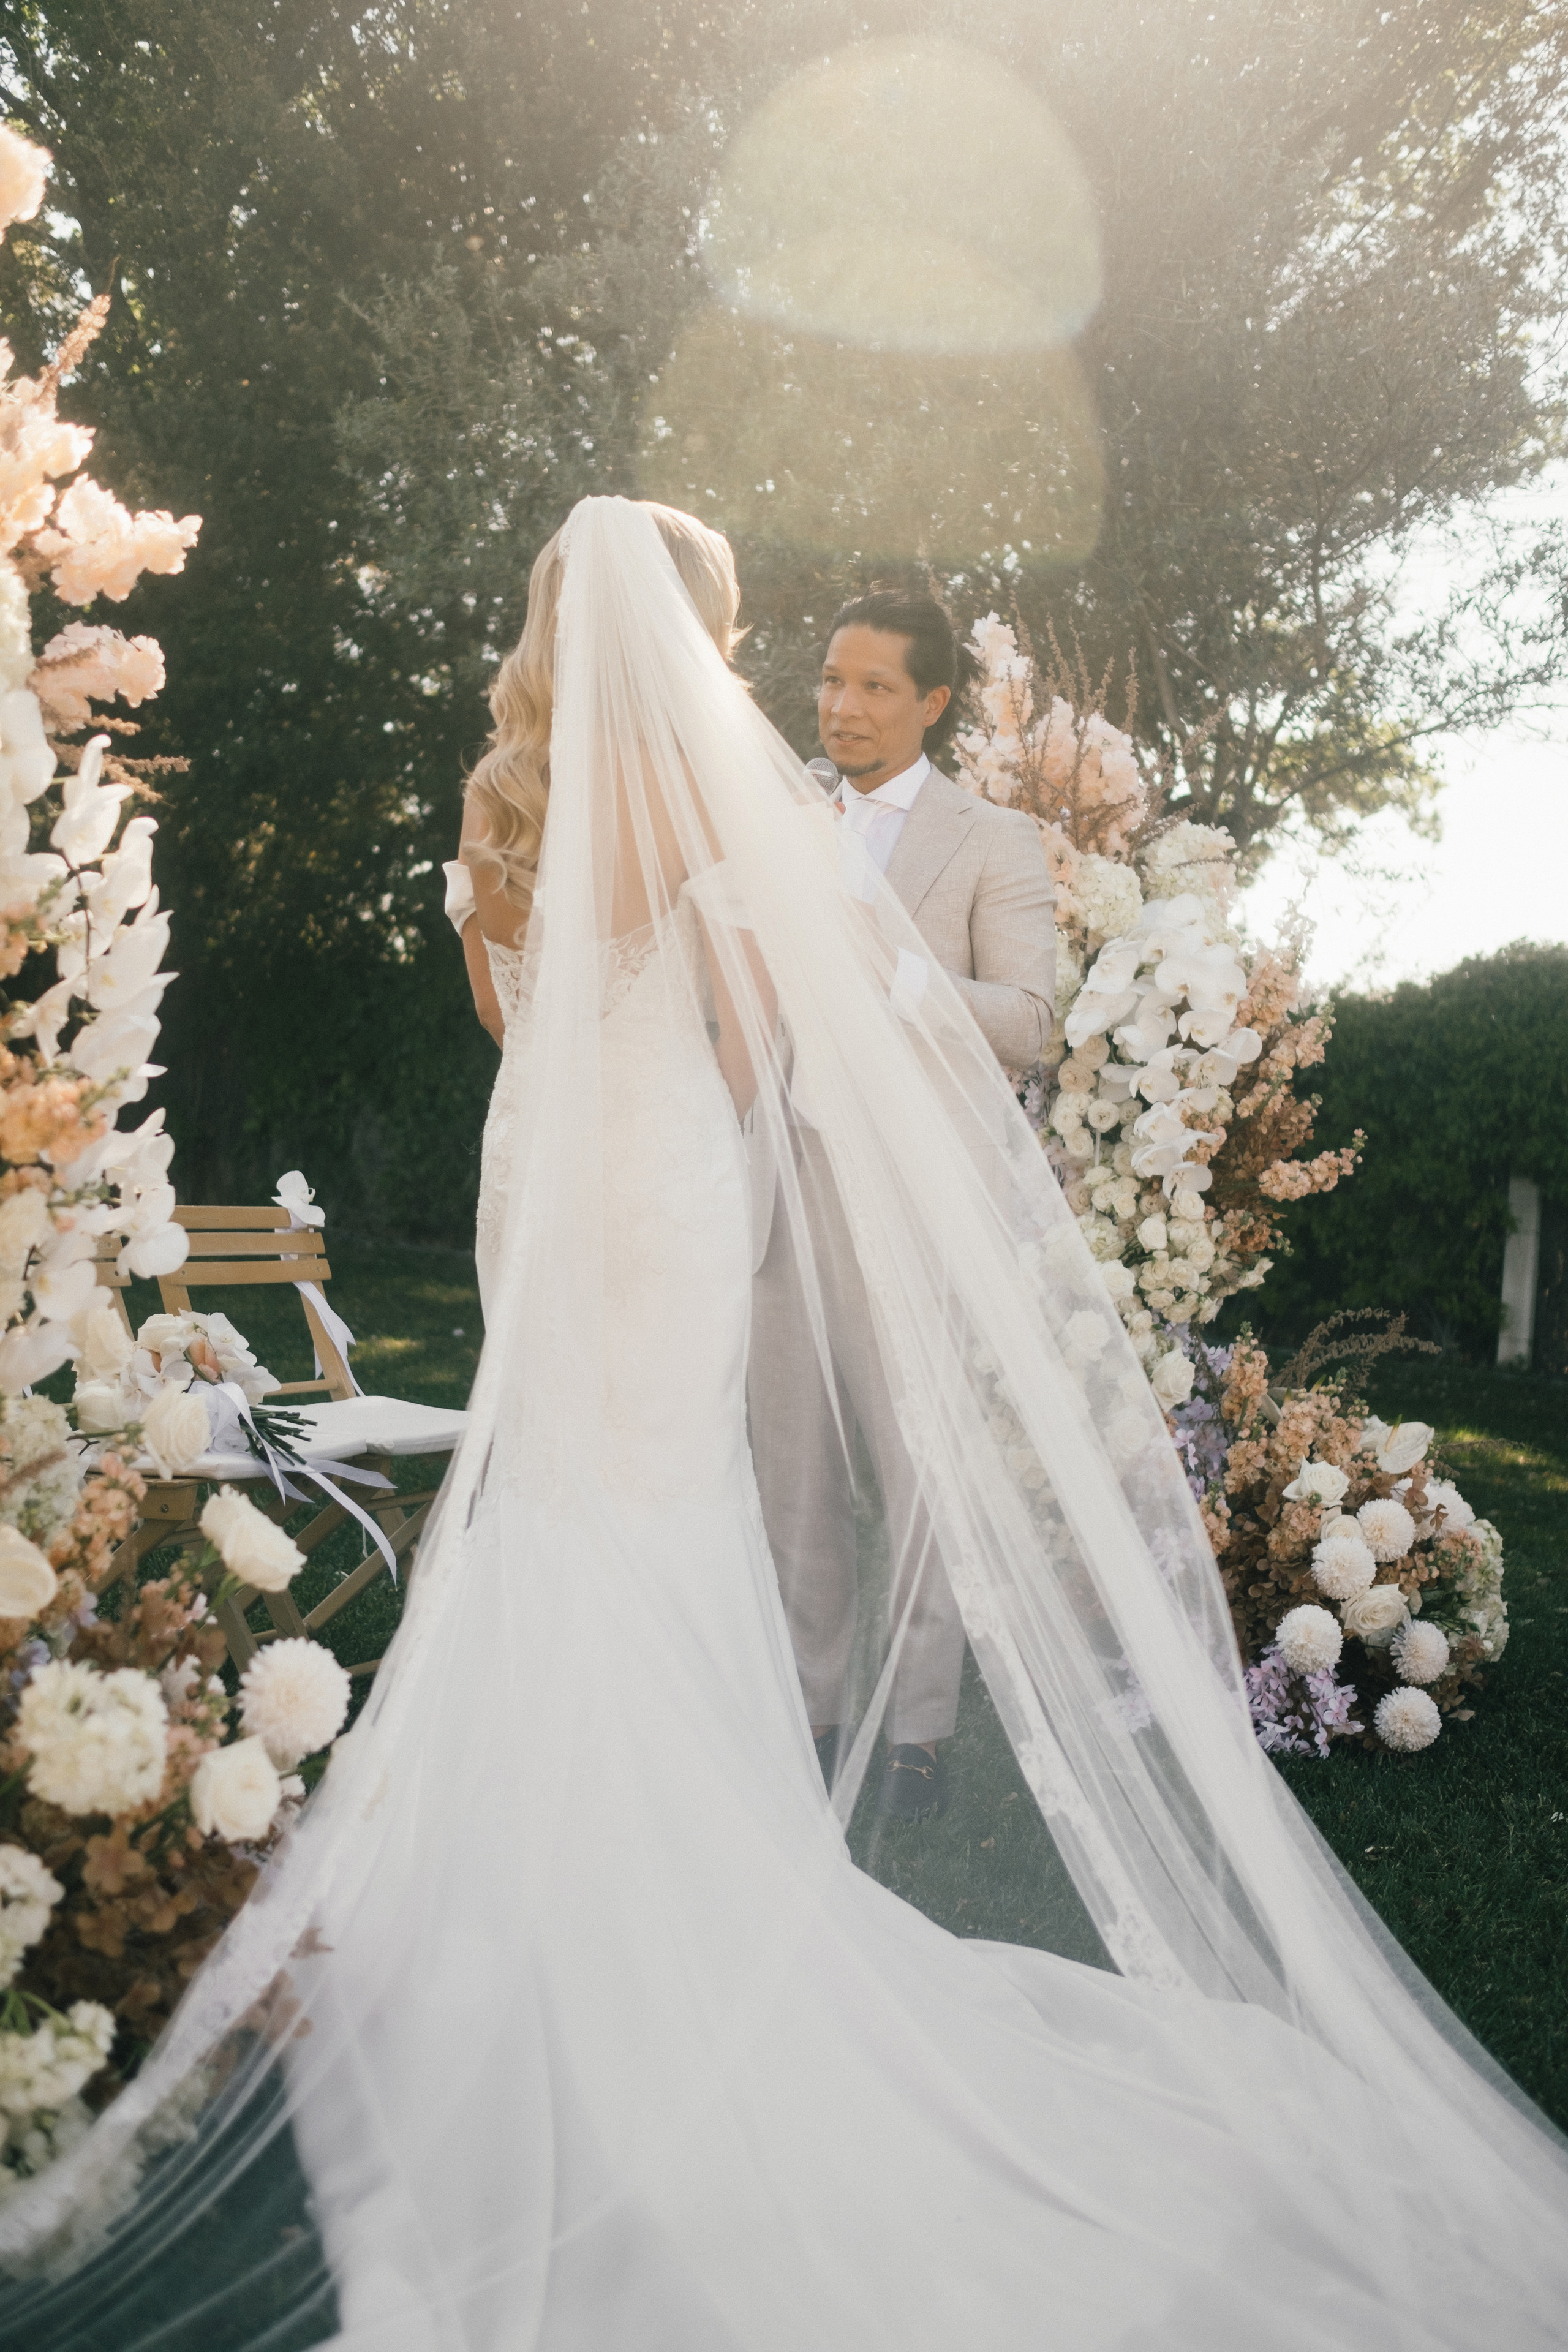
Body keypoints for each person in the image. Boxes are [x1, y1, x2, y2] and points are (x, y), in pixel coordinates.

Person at [5, 496, 1564, 2352]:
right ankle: (678, 1914)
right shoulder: (706, 806)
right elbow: (754, 1049)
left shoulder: (508, 805)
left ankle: (522, 1914)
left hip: (547, 1201)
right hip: (661, 1195)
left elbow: (518, 1030)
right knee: (662, 1511)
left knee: (557, 1514)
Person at [748, 589, 1054, 1821]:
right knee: (791, 1465)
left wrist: (895, 970)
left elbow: (1029, 1025)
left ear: (931, 703)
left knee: (923, 1466)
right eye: (831, 679)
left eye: (875, 686)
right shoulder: (768, 824)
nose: (842, 705)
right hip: (784, 1181)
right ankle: (811, 1711)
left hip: (917, 1191)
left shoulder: (993, 841)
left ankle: (916, 1731)